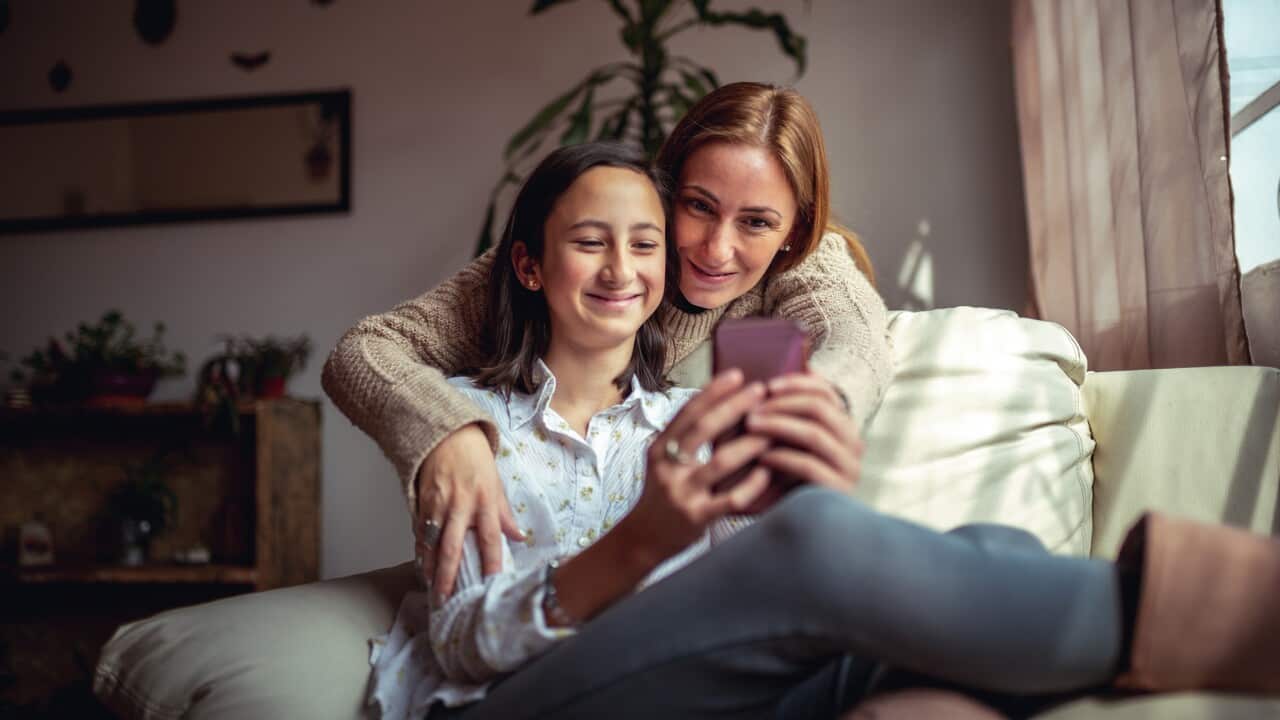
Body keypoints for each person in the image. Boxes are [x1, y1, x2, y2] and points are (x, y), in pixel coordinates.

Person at [366, 140, 1130, 719]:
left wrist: (793, 493)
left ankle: (1129, 630)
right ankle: (1172, 613)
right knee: (832, 545)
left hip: (693, 693)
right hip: (517, 701)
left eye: (643, 244)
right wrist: (642, 541)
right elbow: (465, 644)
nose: (620, 270)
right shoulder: (465, 429)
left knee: (996, 558)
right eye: (590, 242)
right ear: (530, 267)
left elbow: (755, 584)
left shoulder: (687, 425)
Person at [322, 82, 889, 600]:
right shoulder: (577, 259)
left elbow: (856, 343)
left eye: (757, 223)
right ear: (662, 193)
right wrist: (449, 432)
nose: (717, 249)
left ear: (793, 230)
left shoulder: (804, 263)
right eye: (698, 206)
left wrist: (819, 411)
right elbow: (366, 350)